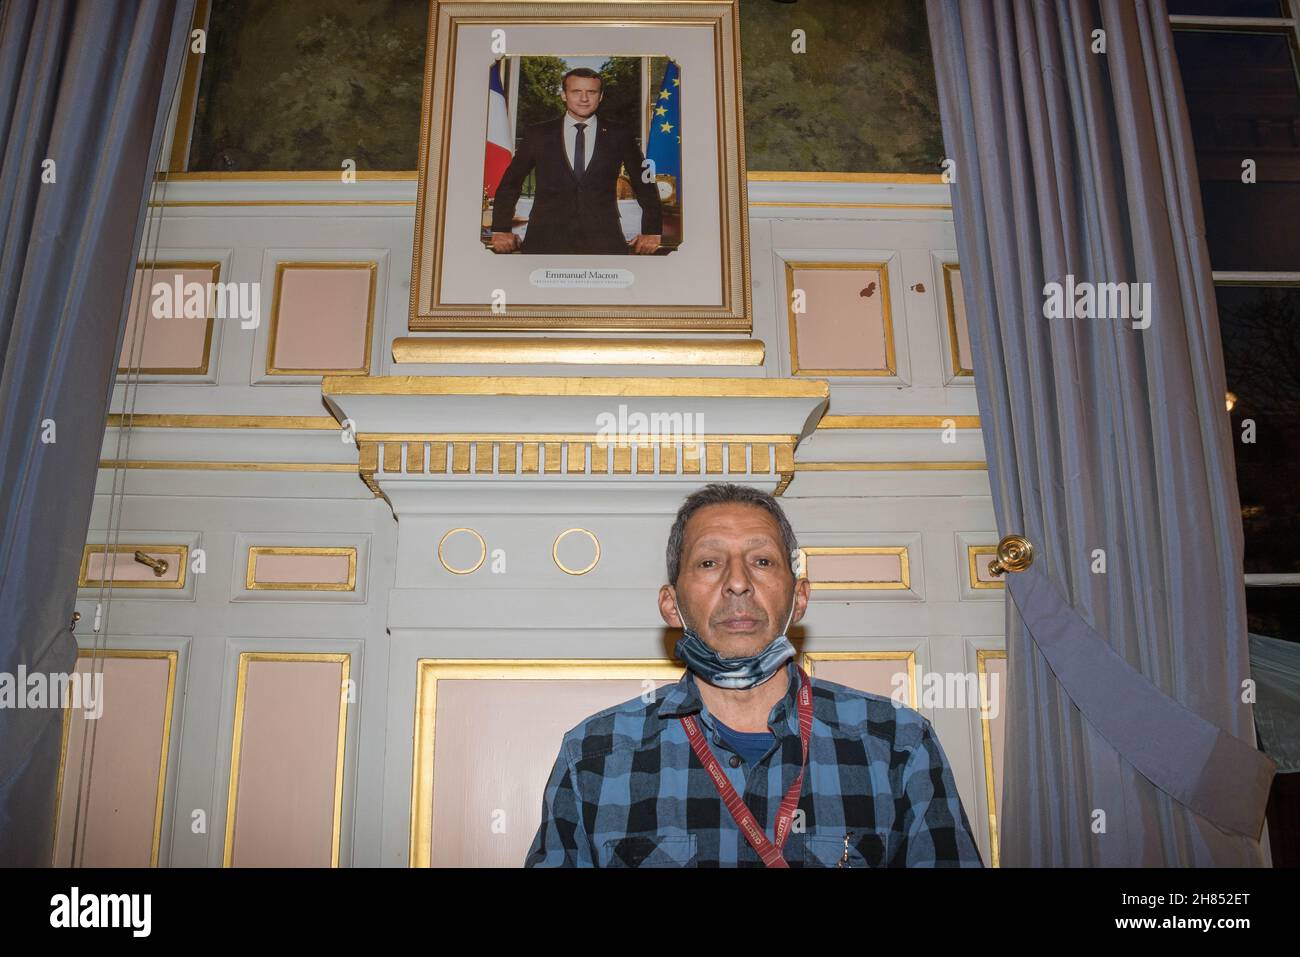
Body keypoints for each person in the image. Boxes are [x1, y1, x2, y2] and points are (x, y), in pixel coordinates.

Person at [525, 482, 985, 867]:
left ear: (799, 598)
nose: (738, 581)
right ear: (671, 604)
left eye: (762, 561)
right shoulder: (593, 754)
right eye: (709, 562)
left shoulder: (898, 744)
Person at [489, 67, 662, 255]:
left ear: (601, 96)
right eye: (576, 92)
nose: (584, 98)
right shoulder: (537, 134)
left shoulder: (620, 134)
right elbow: (510, 183)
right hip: (544, 241)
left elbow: (645, 182)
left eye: (592, 92)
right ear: (564, 95)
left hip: (604, 241)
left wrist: (652, 230)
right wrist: (501, 229)